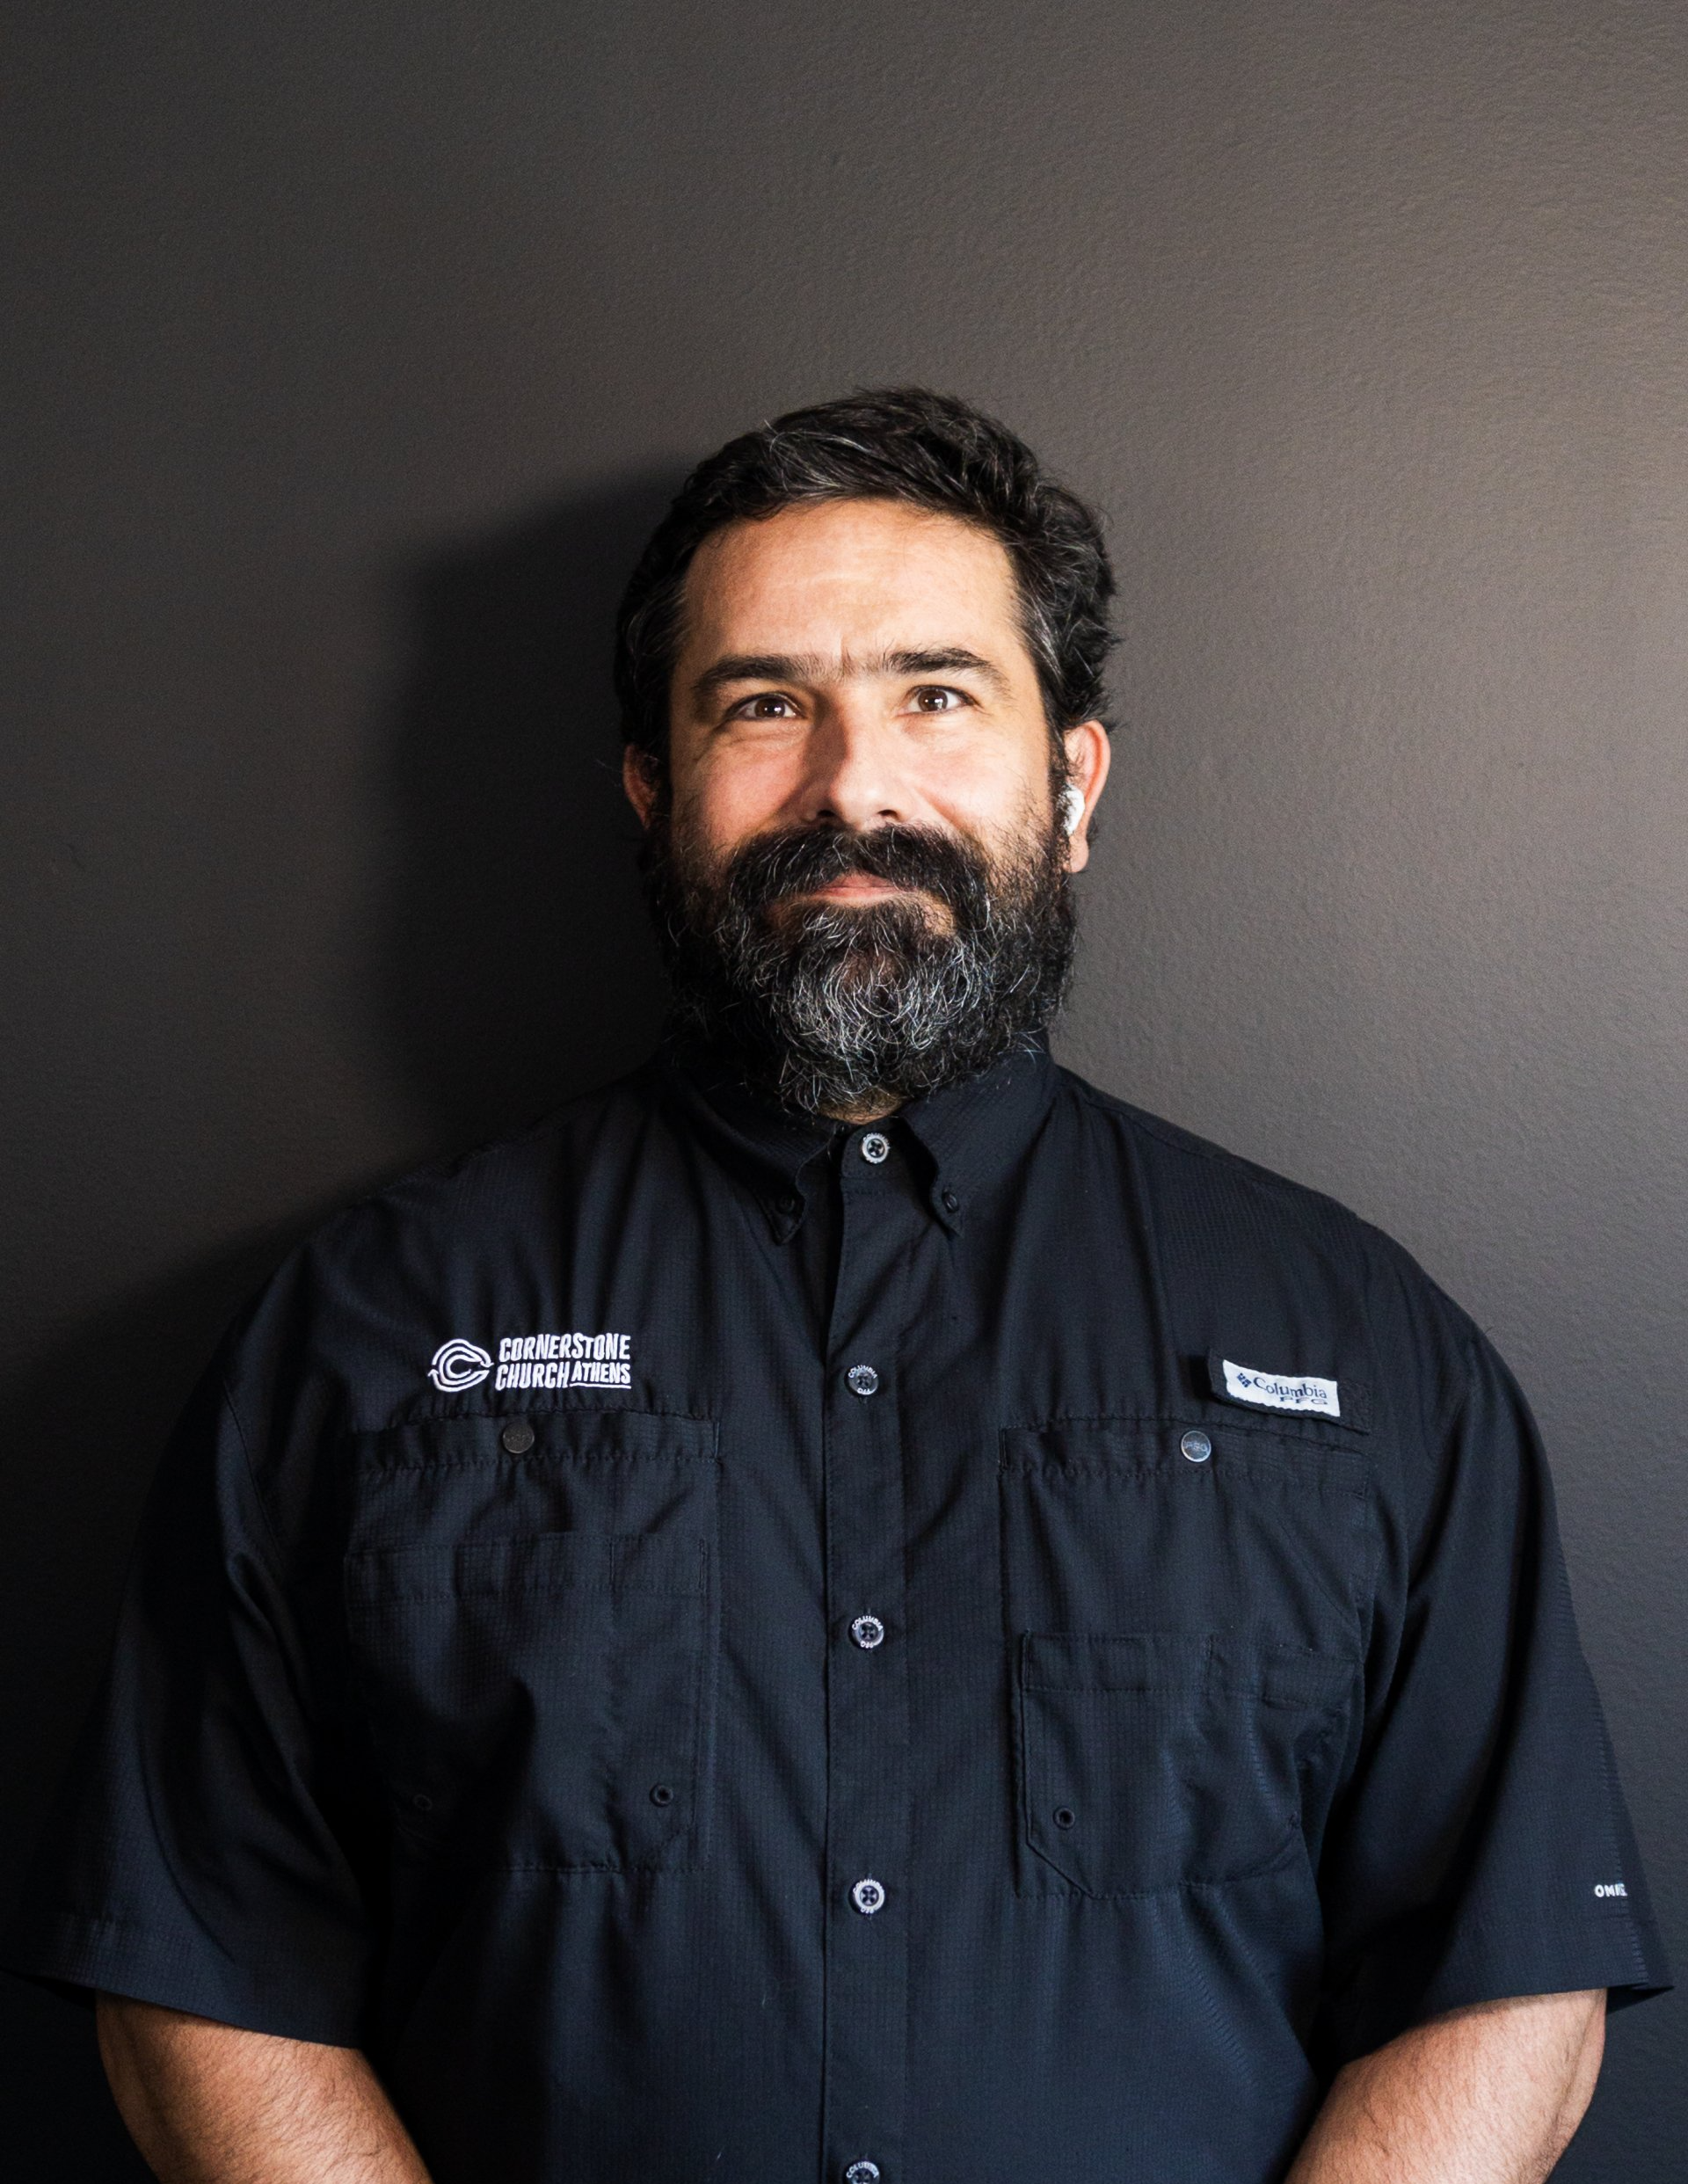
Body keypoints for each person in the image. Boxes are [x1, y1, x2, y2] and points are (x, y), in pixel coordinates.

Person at [4, 388, 1669, 2184]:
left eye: (939, 698)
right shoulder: (374, 1328)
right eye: (766, 705)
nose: (854, 787)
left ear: (1074, 781)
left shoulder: (1360, 1346)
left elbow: (1504, 1983)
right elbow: (206, 1971)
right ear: (653, 789)